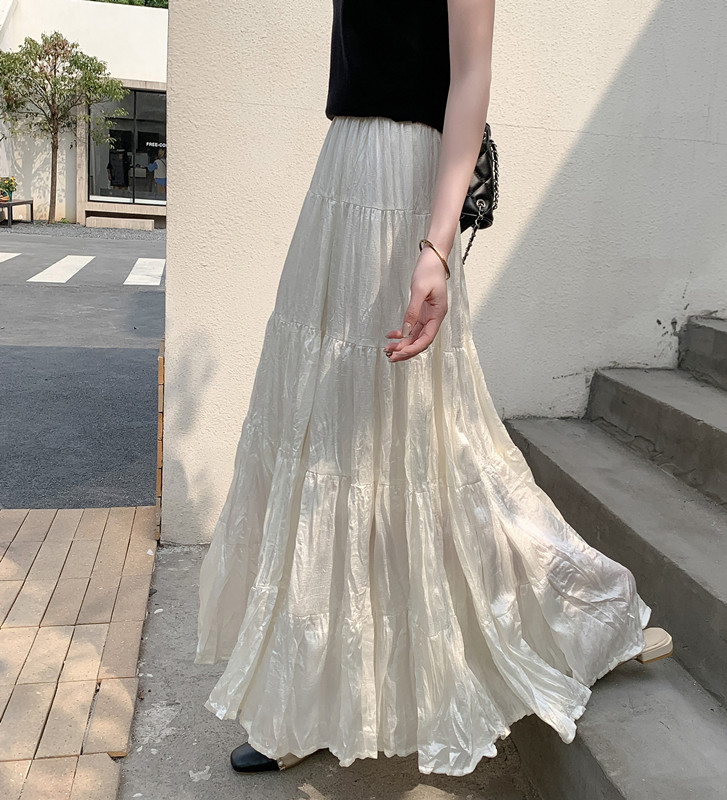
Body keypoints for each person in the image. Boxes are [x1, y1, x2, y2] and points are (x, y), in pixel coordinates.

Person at [194, 0, 673, 778]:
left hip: (402, 196)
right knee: (319, 433)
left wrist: (435, 247)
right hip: (342, 174)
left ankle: (587, 610)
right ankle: (309, 694)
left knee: (426, 446)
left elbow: (470, 75)